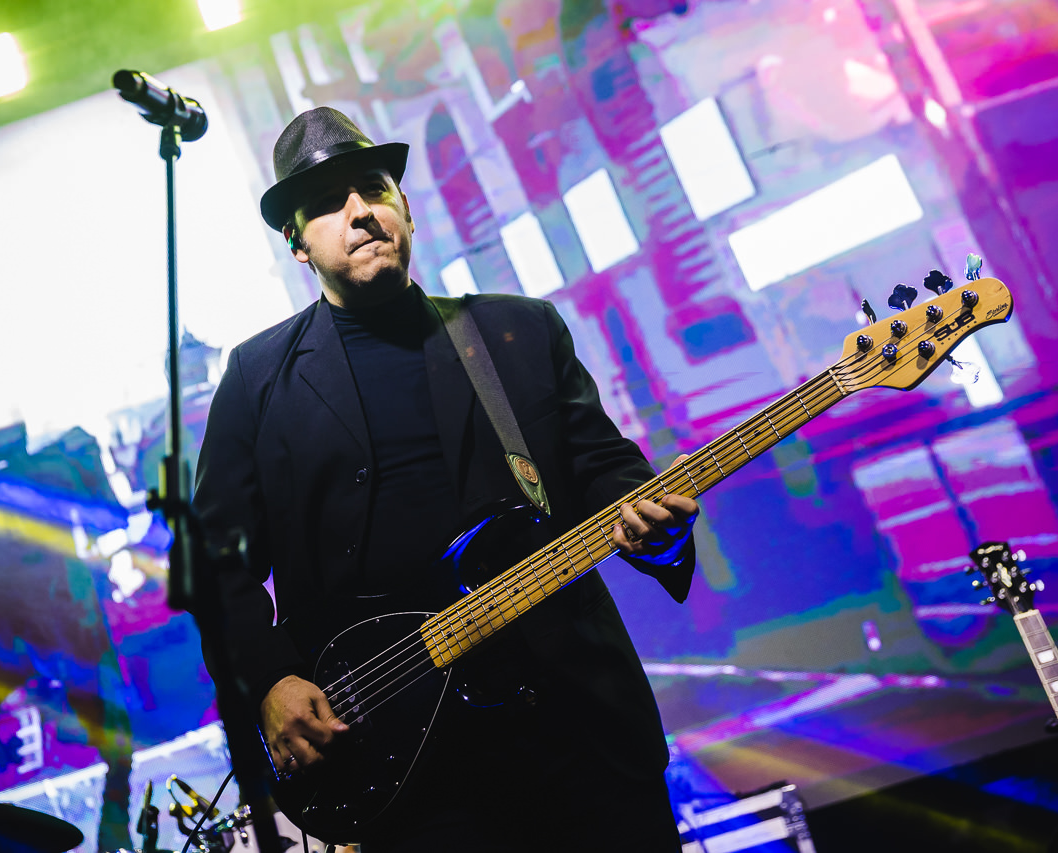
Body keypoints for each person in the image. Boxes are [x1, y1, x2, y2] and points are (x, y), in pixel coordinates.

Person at [192, 107, 699, 852]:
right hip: (403, 761)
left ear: (405, 207)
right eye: (328, 203)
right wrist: (269, 680)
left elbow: (603, 468)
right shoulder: (258, 379)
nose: (360, 212)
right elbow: (215, 563)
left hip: (577, 730)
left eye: (374, 189)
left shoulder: (518, 331)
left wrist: (656, 529)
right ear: (297, 243)